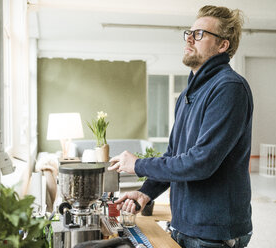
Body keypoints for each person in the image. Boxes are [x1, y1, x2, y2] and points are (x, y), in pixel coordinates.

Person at [108, 5, 253, 248]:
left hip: (212, 232)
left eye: (199, 34)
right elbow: (175, 156)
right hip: (184, 224)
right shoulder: (188, 94)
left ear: (222, 45)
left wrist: (138, 165)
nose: (189, 38)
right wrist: (146, 193)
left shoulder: (229, 88)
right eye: (189, 32)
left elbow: (201, 162)